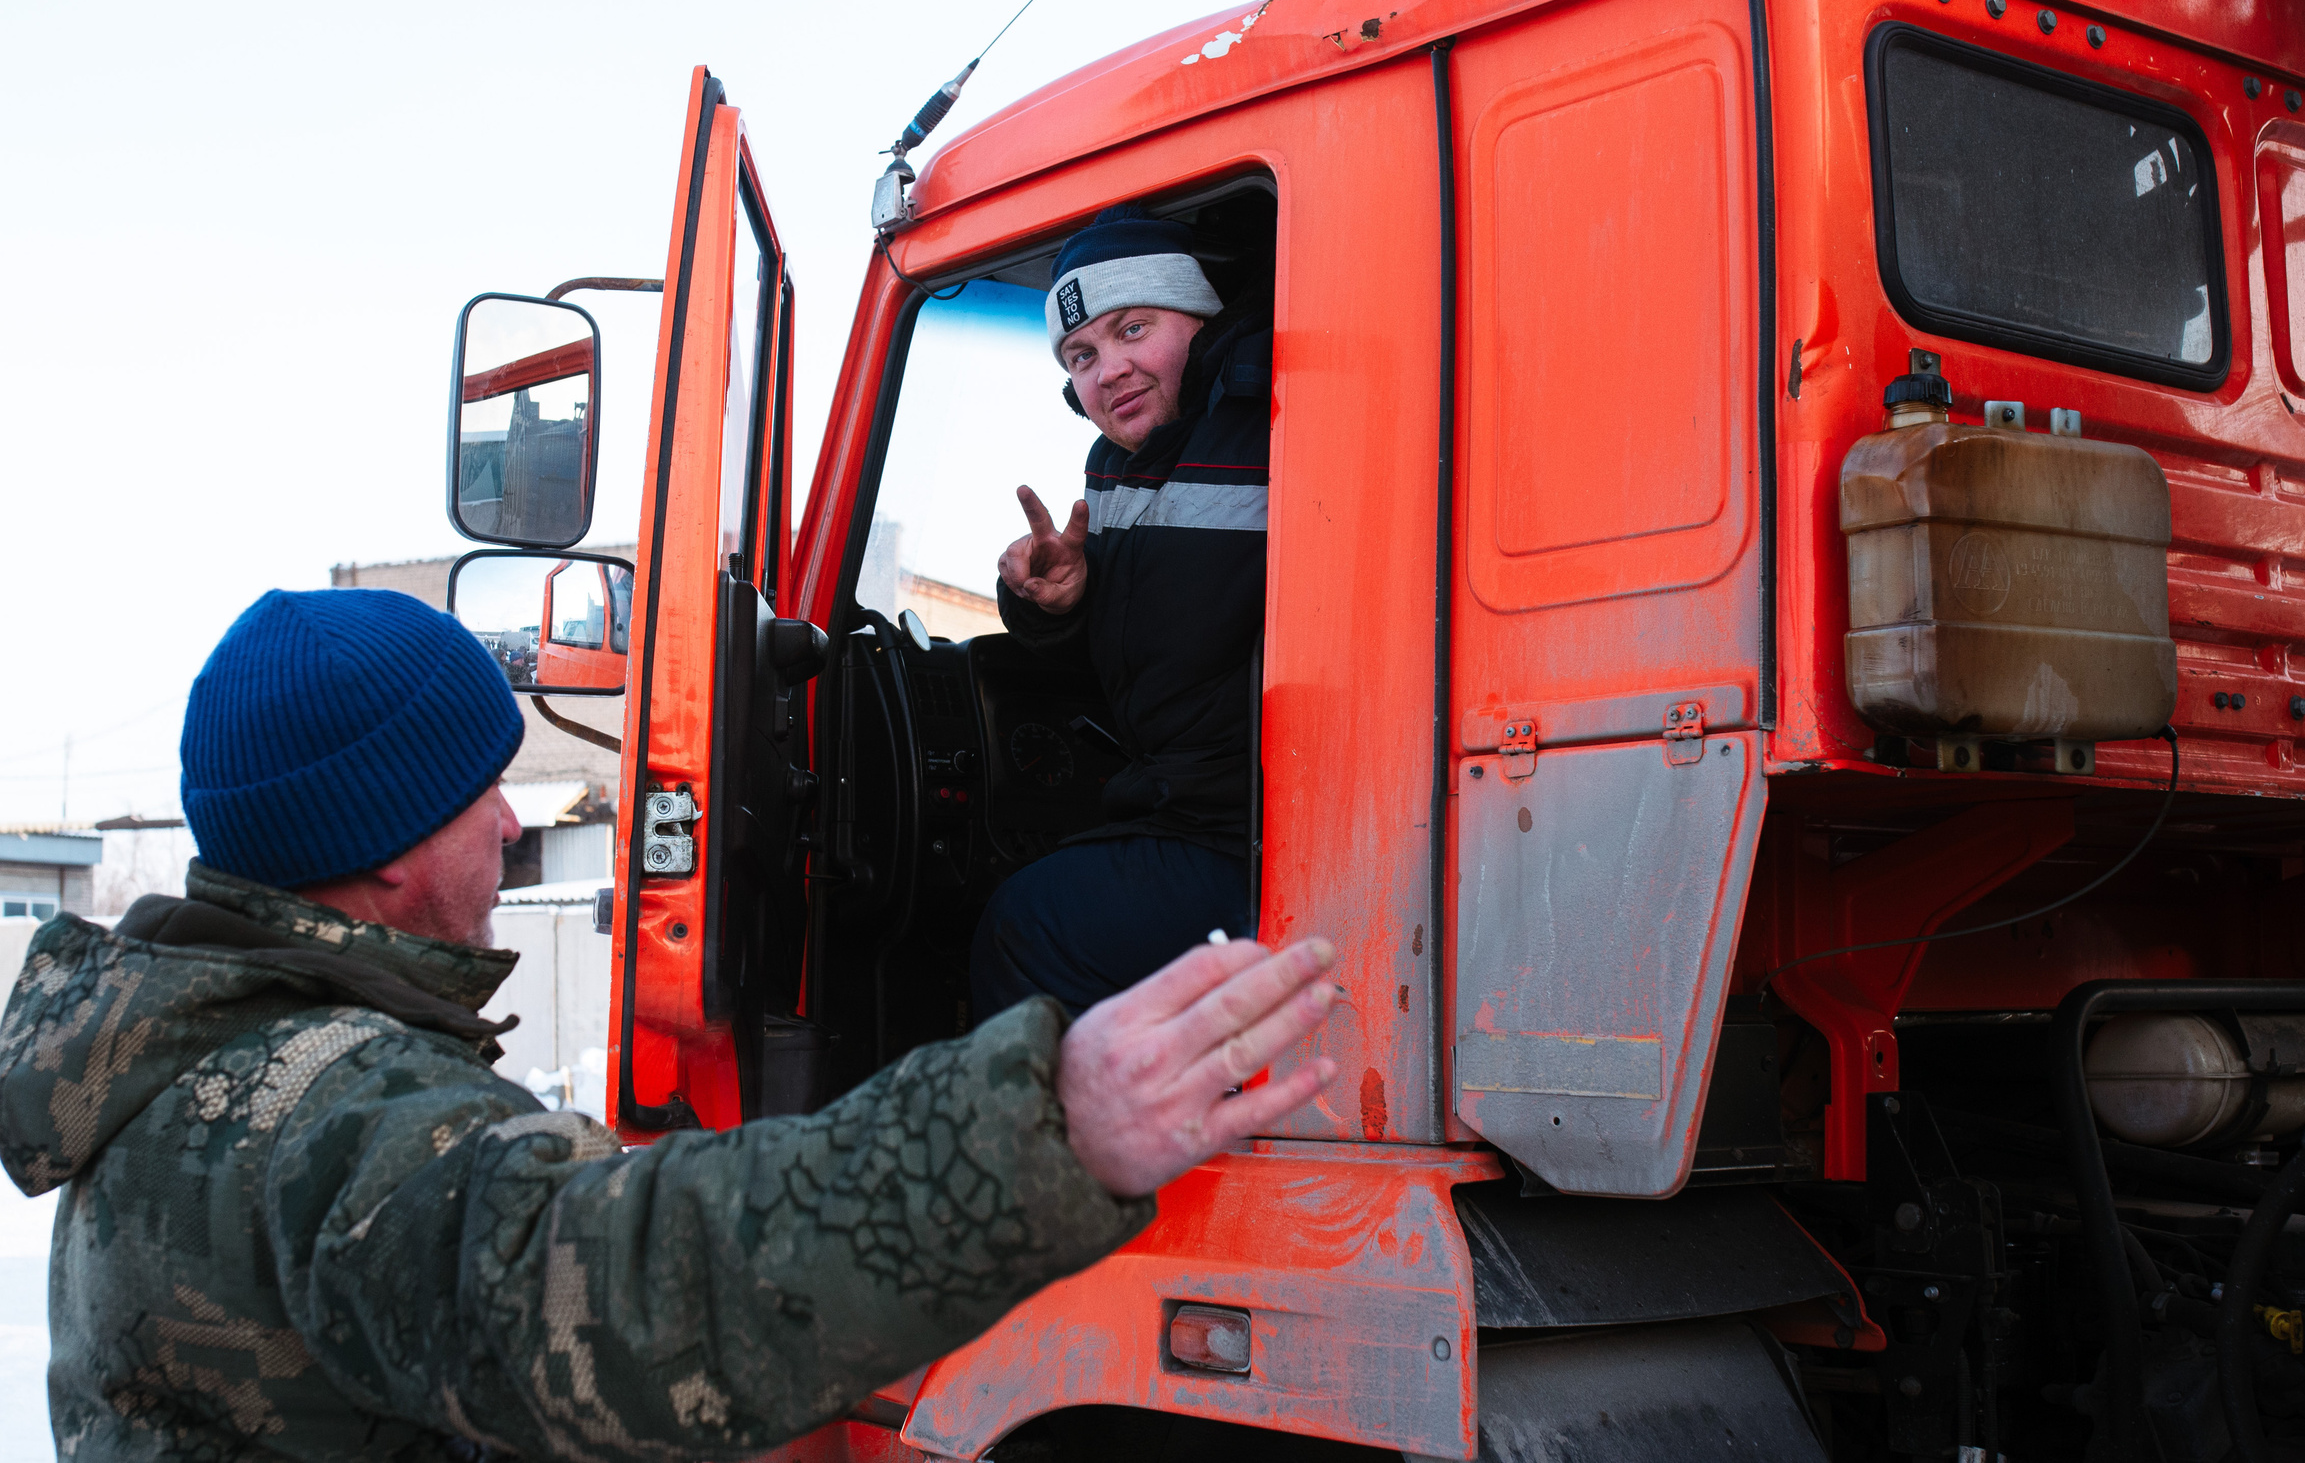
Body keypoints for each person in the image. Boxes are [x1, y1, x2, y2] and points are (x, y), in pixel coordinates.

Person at [0, 587, 1335, 1460]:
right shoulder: (328, 1117)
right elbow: (629, 1291)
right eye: (483, 793)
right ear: (386, 848)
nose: (517, 822)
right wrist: (1049, 1128)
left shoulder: (197, 1057)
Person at [973, 204, 1271, 1021]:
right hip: (1180, 809)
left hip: (1253, 832)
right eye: (1082, 354)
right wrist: (1054, 605)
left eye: (1133, 328)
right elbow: (1135, 655)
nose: (1109, 370)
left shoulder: (1270, 428)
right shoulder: (1114, 472)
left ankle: (1044, 1149)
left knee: (1024, 927)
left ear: (1201, 321)